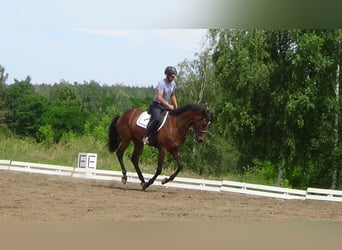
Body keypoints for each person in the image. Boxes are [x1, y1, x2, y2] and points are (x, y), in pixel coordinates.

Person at [142, 66, 178, 144]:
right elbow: (159, 97)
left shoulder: (173, 84)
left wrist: (176, 106)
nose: (173, 77)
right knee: (157, 119)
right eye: (172, 76)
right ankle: (146, 136)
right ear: (167, 75)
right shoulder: (162, 83)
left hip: (165, 106)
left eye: (174, 76)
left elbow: (172, 95)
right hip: (157, 105)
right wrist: (168, 106)